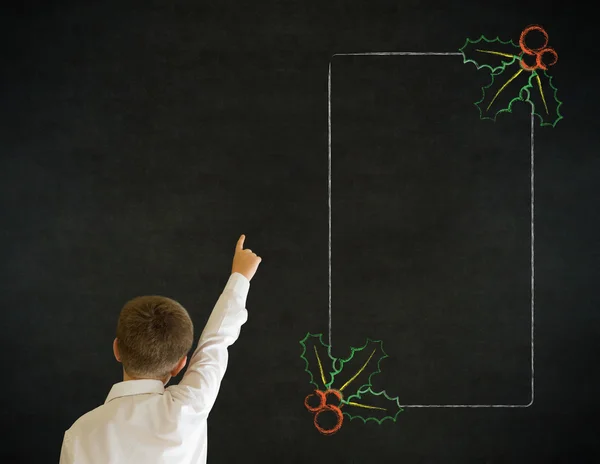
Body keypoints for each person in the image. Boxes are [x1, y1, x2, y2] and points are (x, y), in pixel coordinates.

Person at [59, 235, 261, 463]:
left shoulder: (79, 434)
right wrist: (240, 277)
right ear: (180, 365)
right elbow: (215, 342)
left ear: (117, 349)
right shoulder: (188, 408)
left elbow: (214, 343)